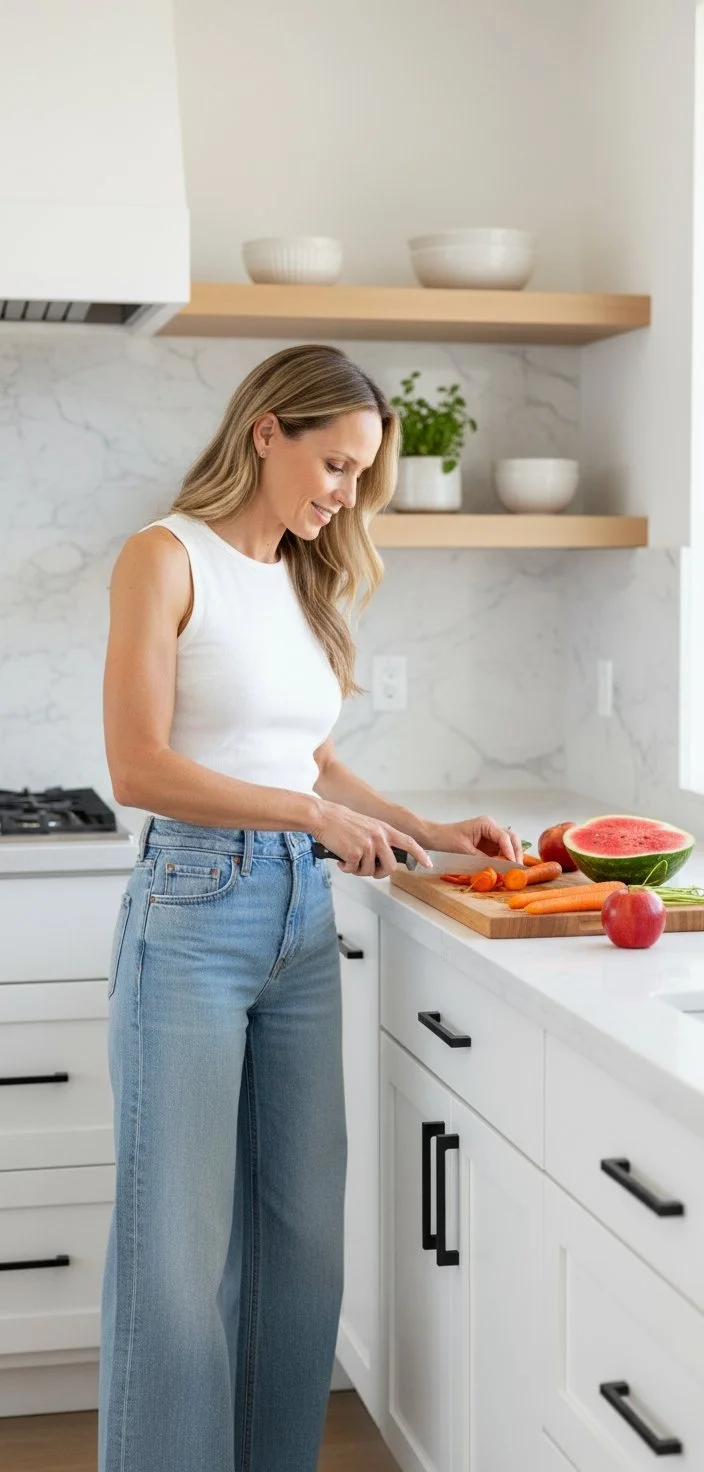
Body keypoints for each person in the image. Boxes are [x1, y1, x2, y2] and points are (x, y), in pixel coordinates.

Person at [97, 342, 521, 1472]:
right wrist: (306, 815)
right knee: (175, 1253)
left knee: (299, 1240)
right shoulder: (163, 554)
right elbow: (135, 768)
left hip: (295, 913)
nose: (342, 494)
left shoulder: (295, 574)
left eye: (358, 477)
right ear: (265, 432)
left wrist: (421, 825)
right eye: (332, 464)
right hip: (193, 905)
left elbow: (313, 756)